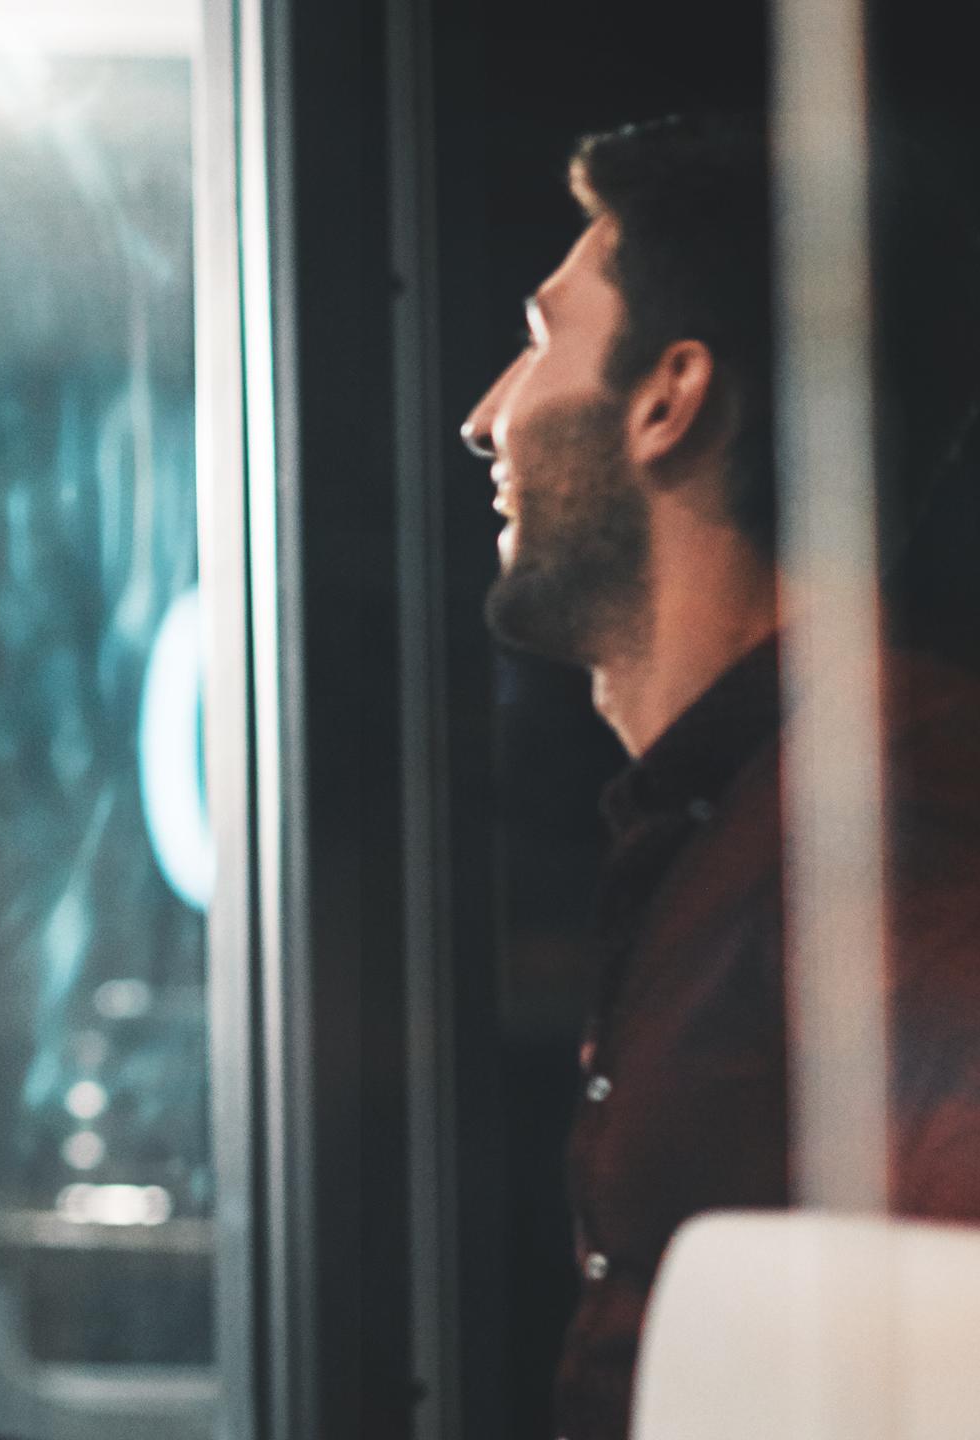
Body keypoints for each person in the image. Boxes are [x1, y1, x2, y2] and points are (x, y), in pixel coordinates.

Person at [457, 113, 980, 1439]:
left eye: (534, 344)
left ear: (665, 397)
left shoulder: (879, 814)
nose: (483, 420)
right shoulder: (733, 809)